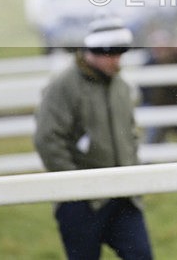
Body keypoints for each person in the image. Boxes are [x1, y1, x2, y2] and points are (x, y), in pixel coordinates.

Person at [34, 15, 153, 260]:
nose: (117, 61)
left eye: (120, 54)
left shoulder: (120, 86)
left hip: (124, 198)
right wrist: (78, 185)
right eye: (112, 54)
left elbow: (130, 133)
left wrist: (132, 175)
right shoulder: (64, 86)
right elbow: (48, 139)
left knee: (142, 257)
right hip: (80, 203)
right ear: (95, 51)